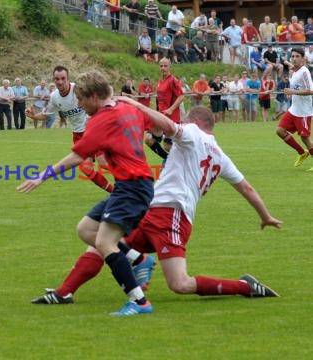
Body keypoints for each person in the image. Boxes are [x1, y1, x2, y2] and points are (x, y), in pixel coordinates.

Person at [116, 98, 282, 301]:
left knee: (180, 284)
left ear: (195, 121)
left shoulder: (192, 133)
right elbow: (246, 188)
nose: (182, 125)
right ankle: (66, 292)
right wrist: (265, 216)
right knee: (107, 241)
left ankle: (244, 286)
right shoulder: (220, 155)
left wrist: (137, 106)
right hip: (155, 211)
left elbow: (167, 125)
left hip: (172, 215)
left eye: (185, 121)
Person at [19, 70, 155, 316]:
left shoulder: (101, 120)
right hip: (132, 184)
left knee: (104, 242)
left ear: (93, 96)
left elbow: (77, 157)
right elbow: (152, 127)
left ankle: (139, 301)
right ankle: (138, 259)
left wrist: (42, 176)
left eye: (81, 99)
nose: (79, 104)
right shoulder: (127, 107)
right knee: (85, 229)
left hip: (133, 186)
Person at [25, 65, 114, 193]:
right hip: (78, 134)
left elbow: (100, 98)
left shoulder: (79, 89)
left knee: (103, 162)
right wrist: (33, 115)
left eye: (63, 78)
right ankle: (115, 191)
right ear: (53, 79)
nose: (60, 82)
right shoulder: (55, 97)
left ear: (68, 79)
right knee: (86, 168)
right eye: (57, 79)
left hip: (93, 128)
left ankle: (133, 179)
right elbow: (46, 115)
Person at [276, 47, 313, 170]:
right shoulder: (295, 71)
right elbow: (297, 85)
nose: (294, 58)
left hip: (303, 112)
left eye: (297, 56)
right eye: (293, 56)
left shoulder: (304, 71)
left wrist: (292, 91)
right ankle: (302, 152)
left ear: (303, 58)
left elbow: (310, 90)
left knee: (305, 138)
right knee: (280, 131)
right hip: (294, 109)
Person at [147, 57, 184, 161]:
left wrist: (171, 109)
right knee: (149, 139)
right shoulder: (159, 81)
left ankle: (177, 161)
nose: (163, 68)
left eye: (165, 66)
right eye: (161, 66)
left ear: (170, 67)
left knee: (167, 146)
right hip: (161, 117)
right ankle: (169, 160)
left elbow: (181, 96)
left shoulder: (173, 80)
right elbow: (160, 99)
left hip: (171, 118)